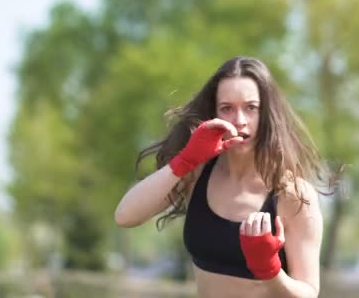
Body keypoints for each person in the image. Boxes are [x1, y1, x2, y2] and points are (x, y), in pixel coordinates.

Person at [115, 56, 332, 297]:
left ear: (267, 113)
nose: (239, 121)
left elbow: (309, 293)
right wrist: (184, 161)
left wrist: (271, 271)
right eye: (227, 108)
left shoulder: (293, 194)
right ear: (214, 113)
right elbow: (125, 215)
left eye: (251, 108)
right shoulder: (197, 174)